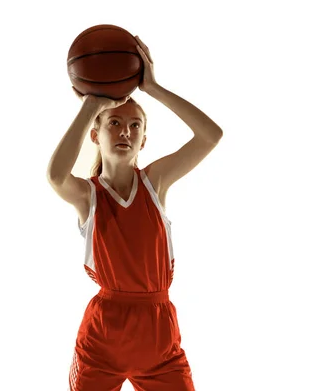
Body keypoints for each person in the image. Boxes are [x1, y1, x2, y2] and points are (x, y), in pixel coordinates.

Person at [47, 35, 223, 391]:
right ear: (94, 134)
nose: (125, 131)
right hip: (104, 337)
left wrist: (153, 88)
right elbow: (55, 176)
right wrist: (90, 105)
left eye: (135, 126)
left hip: (158, 333)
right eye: (114, 123)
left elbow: (210, 135)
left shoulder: (155, 183)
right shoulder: (88, 195)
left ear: (144, 140)